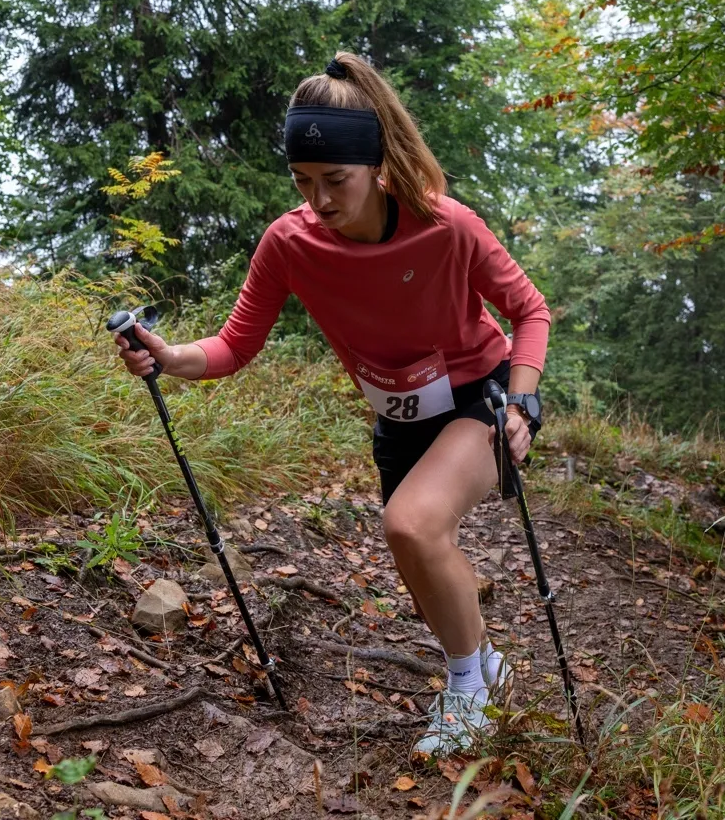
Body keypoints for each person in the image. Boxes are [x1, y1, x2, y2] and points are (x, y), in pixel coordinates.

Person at [113, 52, 550, 758]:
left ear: (377, 166)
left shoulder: (447, 226)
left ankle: (467, 687)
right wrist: (169, 356)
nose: (317, 199)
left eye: (334, 180)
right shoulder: (290, 244)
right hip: (398, 415)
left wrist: (524, 404)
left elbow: (530, 310)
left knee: (409, 524)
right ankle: (484, 666)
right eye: (302, 182)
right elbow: (232, 344)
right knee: (422, 571)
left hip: (479, 394)